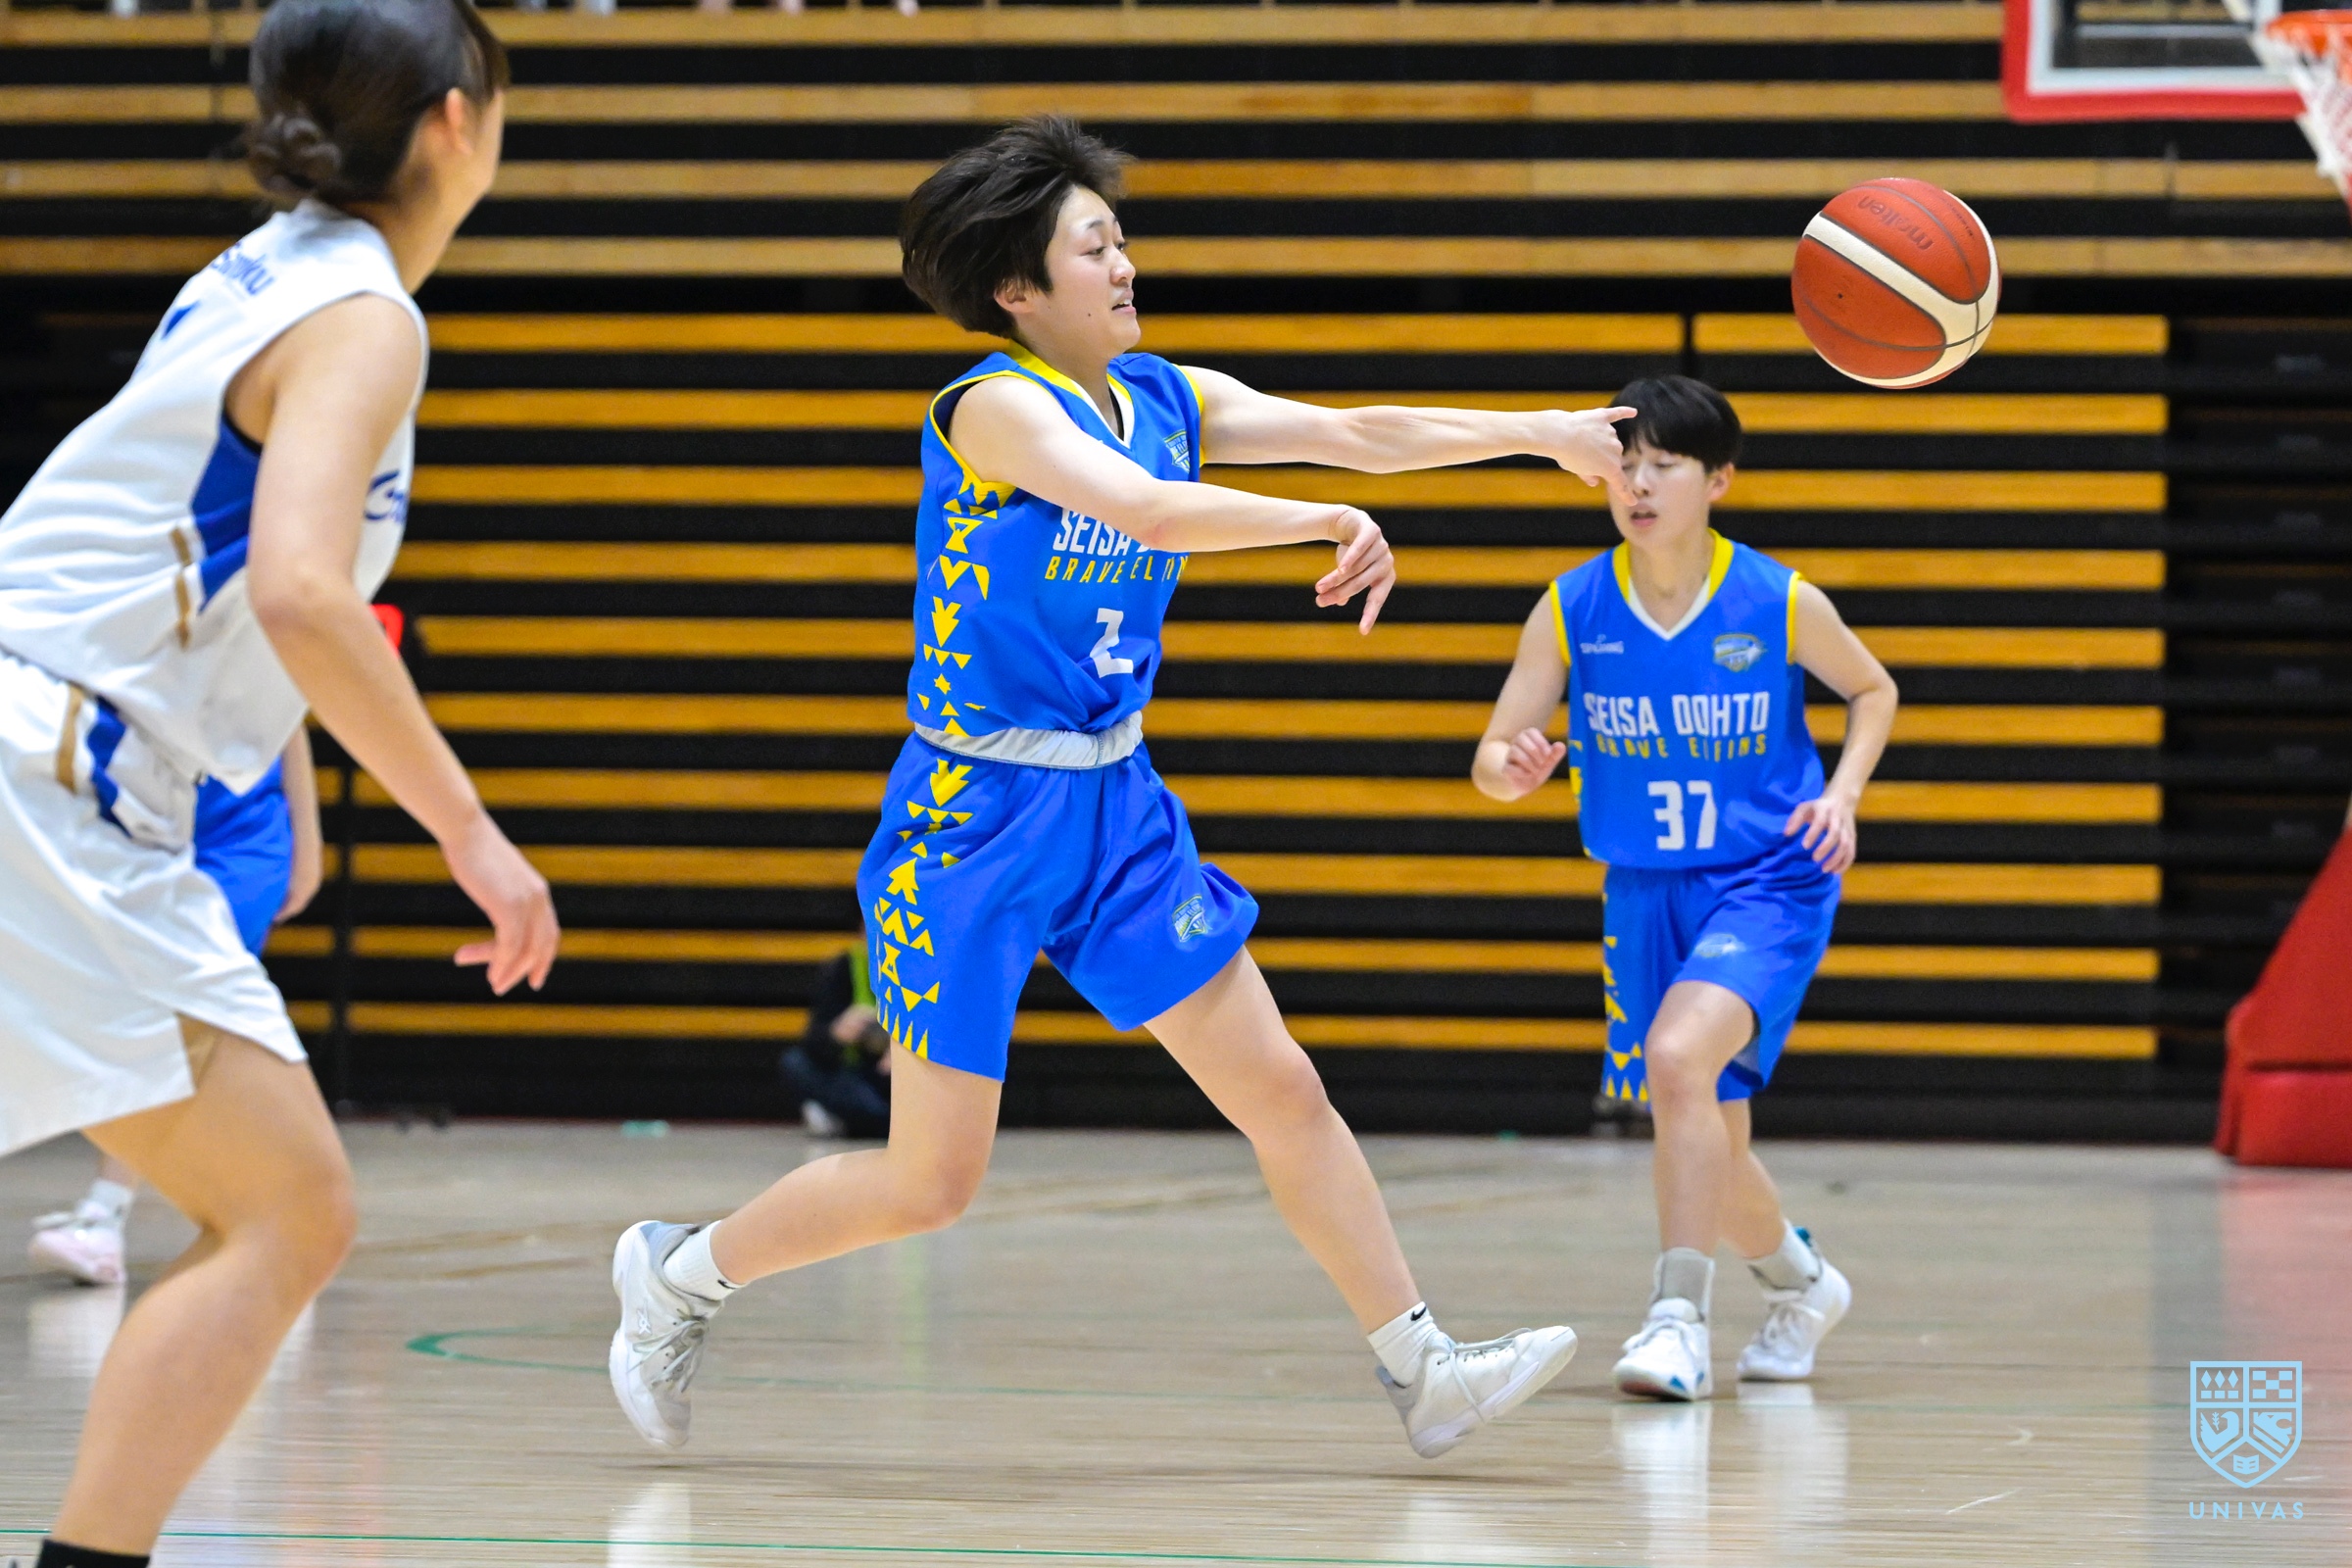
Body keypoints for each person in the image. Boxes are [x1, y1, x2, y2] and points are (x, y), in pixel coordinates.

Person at [607, 115, 1636, 1462]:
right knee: (931, 1183)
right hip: (971, 821)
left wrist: (1541, 433)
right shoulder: (991, 406)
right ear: (1016, 288)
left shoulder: (1167, 396)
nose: (1126, 264)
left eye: (1121, 239)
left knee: (1282, 1087)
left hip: (1115, 807)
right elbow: (1145, 510)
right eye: (1095, 246)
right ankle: (679, 1272)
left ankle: (1421, 1365)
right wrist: (1320, 522)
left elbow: (1354, 429)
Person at [0, 2, 558, 1562]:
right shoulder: (364, 313)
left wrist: (286, 788)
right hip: (48, 764)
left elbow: (222, 575)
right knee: (287, 1210)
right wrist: (474, 835)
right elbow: (306, 592)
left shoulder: (261, 271)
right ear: (457, 120)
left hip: (49, 731)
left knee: (277, 1207)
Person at [1471, 375, 1899, 1401]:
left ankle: (1677, 1321)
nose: (1638, 484)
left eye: (1664, 464)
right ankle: (1803, 1285)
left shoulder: (1777, 600)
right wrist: (1512, 770)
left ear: (1719, 480)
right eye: (1624, 464)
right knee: (1707, 1128)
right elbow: (1491, 755)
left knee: (1675, 1062)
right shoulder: (1571, 606)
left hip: (1768, 879)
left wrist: (1842, 795)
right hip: (1641, 891)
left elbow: (1873, 688)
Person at [28, 733, 322, 1288]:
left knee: (181, 1010)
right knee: (165, 1017)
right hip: (141, 829)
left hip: (240, 835)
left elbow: (290, 726)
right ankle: (275, 1221)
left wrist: (307, 840)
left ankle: (106, 1214)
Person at [779, 944, 893, 1139]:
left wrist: (905, 1054)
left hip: (898, 1078)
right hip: (854, 1077)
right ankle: (878, 1121)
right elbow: (813, 1043)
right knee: (795, 1063)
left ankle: (861, 1121)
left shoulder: (917, 970)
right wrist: (836, 1033)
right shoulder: (844, 967)